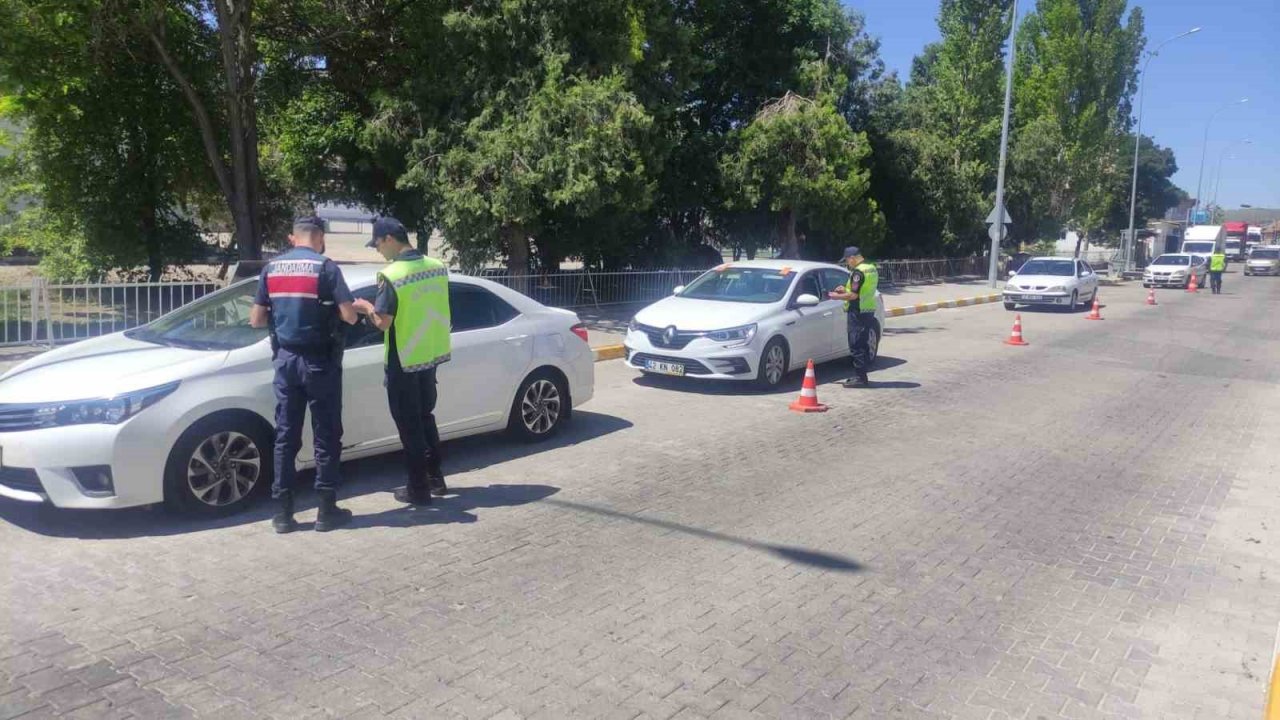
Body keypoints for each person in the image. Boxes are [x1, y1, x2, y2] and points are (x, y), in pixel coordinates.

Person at [250, 216, 359, 534]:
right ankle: (326, 511)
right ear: (320, 238)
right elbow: (350, 316)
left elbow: (256, 319)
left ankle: (283, 514)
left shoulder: (271, 268)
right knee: (326, 435)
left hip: (286, 362)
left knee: (286, 437)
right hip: (320, 362)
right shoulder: (326, 267)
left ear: (292, 238)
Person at [352, 218, 452, 506]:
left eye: (377, 244)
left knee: (409, 427)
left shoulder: (391, 275)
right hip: (430, 354)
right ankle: (435, 479)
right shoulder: (437, 266)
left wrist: (366, 308)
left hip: (404, 360)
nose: (377, 251)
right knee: (425, 417)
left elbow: (383, 322)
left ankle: (418, 489)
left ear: (388, 239)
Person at [827, 245, 879, 388]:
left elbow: (854, 295)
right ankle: (861, 375)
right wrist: (845, 289)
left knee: (856, 344)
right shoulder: (871, 268)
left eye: (847, 260)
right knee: (863, 342)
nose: (847, 263)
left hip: (858, 311)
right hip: (868, 309)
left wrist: (835, 296)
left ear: (852, 258)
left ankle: (861, 378)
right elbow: (863, 290)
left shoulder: (858, 272)